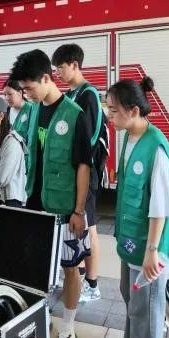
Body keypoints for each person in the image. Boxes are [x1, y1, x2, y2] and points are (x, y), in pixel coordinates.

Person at [9, 49, 92, 338]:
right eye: (22, 90)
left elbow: (83, 166)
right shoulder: (32, 112)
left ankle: (68, 328)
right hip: (35, 201)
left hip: (65, 206)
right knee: (37, 264)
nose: (26, 94)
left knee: (71, 268)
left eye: (29, 88)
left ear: (46, 78)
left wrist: (79, 210)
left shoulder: (74, 114)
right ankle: (40, 317)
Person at [103, 77, 169, 338]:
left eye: (114, 111)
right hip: (133, 239)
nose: (109, 116)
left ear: (134, 110)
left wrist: (153, 251)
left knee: (147, 308)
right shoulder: (130, 136)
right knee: (131, 297)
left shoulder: (156, 148)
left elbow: (161, 207)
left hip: (152, 245)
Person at [52, 43, 109, 303]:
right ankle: (82, 275)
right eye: (55, 69)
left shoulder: (89, 94)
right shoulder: (70, 95)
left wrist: (75, 163)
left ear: (75, 65)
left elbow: (91, 137)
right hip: (72, 174)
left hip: (85, 171)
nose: (58, 73)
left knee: (89, 227)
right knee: (78, 230)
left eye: (61, 68)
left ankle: (93, 285)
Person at [3, 78, 33, 144]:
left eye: (10, 94)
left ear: (20, 93)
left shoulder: (31, 109)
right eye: (5, 95)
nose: (7, 98)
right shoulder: (6, 111)